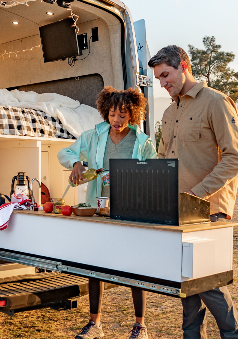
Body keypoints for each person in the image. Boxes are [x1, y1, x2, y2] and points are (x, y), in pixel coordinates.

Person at [148, 45, 238, 339]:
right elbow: (164, 161)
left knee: (207, 283)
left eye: (166, 75)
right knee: (187, 291)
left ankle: (234, 335)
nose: (163, 84)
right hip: (177, 211)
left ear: (184, 66)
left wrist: (196, 194)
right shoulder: (167, 114)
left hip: (209, 210)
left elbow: (235, 157)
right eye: (158, 79)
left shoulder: (215, 102)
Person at [58, 86, 157, 339]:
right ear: (106, 112)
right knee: (95, 266)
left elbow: (154, 172)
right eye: (113, 114)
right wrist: (77, 162)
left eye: (123, 115)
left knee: (135, 267)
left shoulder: (142, 142)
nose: (117, 120)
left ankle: (140, 326)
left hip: (131, 210)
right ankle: (95, 324)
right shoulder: (94, 136)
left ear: (132, 115)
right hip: (98, 209)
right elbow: (65, 152)